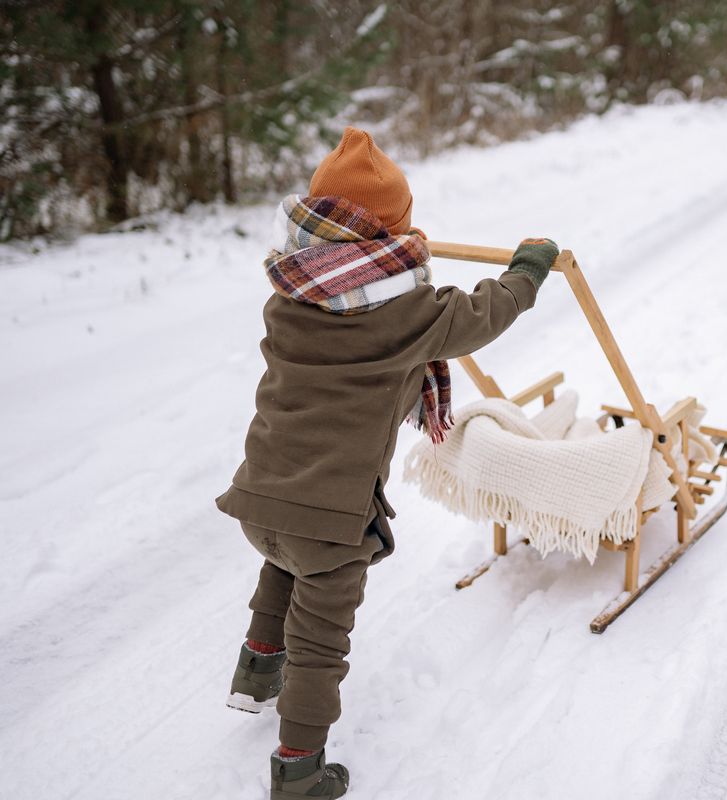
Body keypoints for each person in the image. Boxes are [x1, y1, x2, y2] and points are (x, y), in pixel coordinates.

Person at [215, 126, 557, 798]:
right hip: (334, 520)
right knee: (321, 642)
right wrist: (528, 271)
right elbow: (484, 314)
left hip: (262, 496)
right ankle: (298, 772)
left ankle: (255, 677)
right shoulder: (408, 314)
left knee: (281, 564)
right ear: (387, 236)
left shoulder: (288, 294)